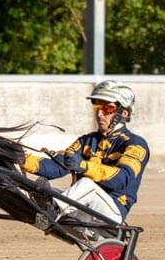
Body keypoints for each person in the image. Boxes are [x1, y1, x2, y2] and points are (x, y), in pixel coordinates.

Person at [20, 80, 150, 231]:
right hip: (83, 209)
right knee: (43, 191)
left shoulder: (136, 144)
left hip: (112, 213)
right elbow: (56, 168)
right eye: (97, 106)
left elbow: (121, 179)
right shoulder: (86, 140)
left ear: (124, 113)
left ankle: (51, 214)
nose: (99, 113)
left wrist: (82, 166)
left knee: (87, 184)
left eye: (108, 108)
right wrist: (21, 158)